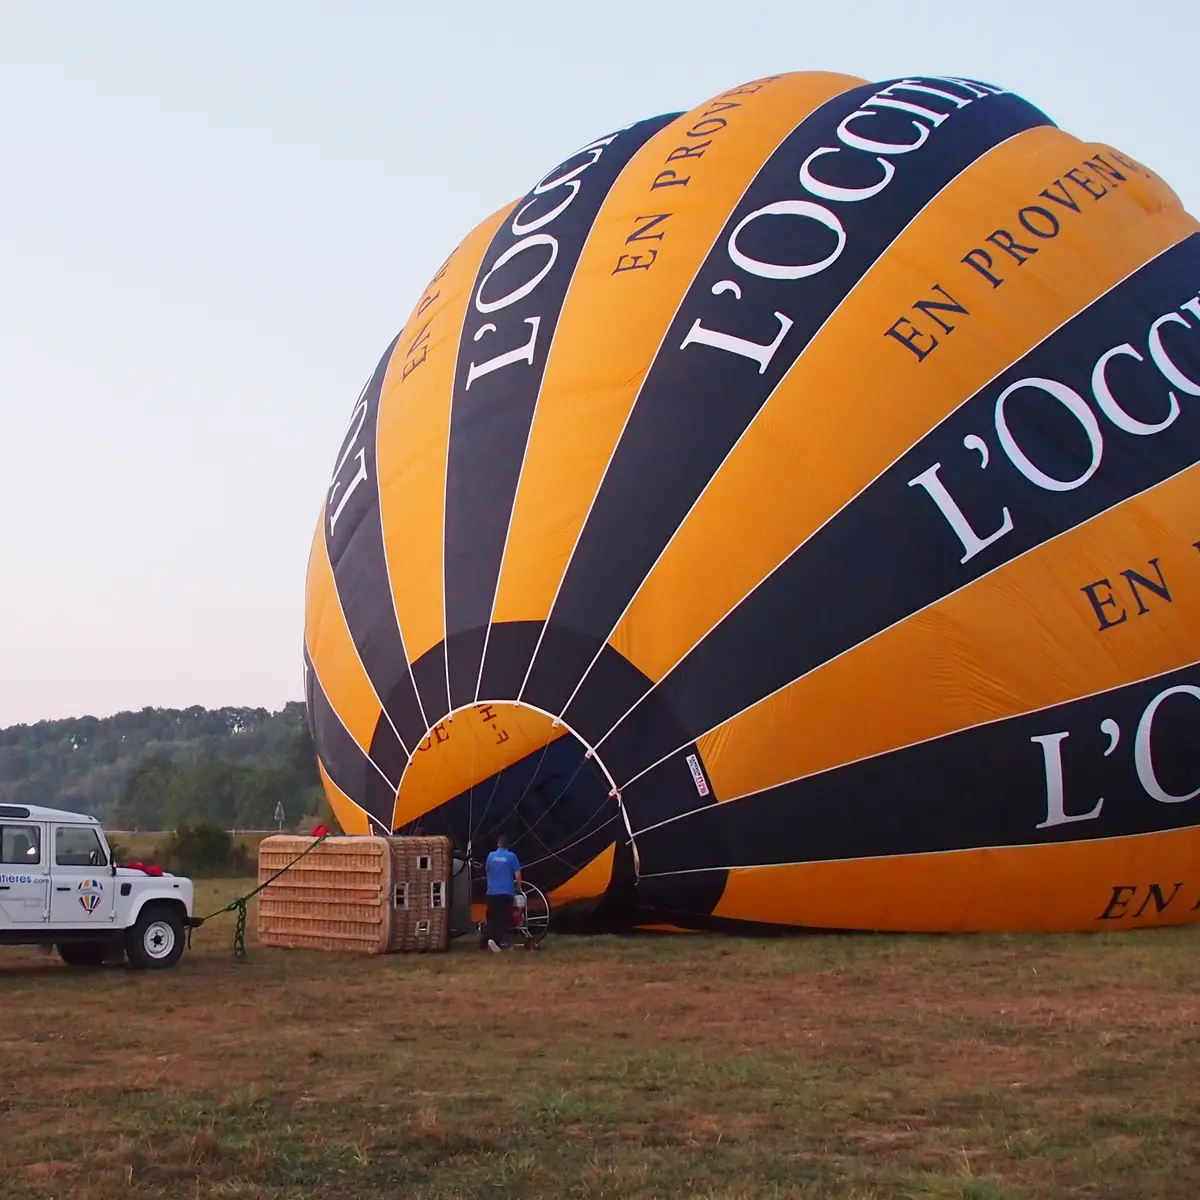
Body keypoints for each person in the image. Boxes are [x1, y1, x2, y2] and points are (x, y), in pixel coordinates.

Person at [484, 834, 522, 952]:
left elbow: (487, 872)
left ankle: (487, 939)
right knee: (501, 918)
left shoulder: (491, 856)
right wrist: (519, 888)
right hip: (505, 893)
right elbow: (518, 874)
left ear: (498, 844)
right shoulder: (512, 857)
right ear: (508, 845)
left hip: (491, 892)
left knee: (491, 916)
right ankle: (495, 941)